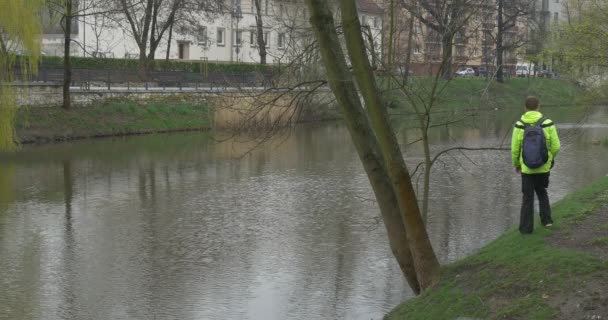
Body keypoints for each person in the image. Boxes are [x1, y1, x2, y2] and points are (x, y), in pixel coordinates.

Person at [511, 96, 561, 234]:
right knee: (542, 192)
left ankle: (526, 229)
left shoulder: (519, 125)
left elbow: (515, 149)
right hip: (544, 167)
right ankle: (547, 221)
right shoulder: (548, 123)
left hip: (526, 168)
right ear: (539, 106)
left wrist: (517, 164)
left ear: (525, 108)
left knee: (527, 197)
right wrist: (549, 159)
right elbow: (556, 146)